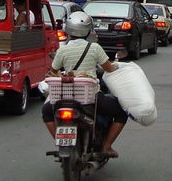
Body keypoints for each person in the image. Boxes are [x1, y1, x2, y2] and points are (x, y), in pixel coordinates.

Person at [41, 11, 128, 158]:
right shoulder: (94, 48)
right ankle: (106, 147)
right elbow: (110, 69)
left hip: (64, 97)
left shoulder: (62, 50)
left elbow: (53, 72)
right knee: (121, 113)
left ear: (69, 30)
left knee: (46, 112)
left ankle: (60, 141)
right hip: (90, 97)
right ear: (88, 30)